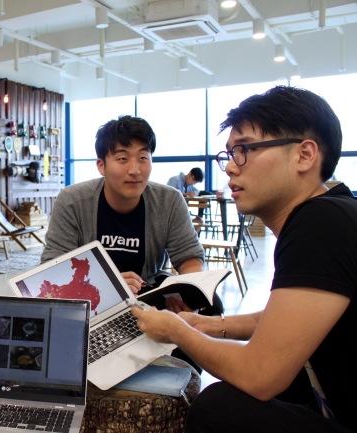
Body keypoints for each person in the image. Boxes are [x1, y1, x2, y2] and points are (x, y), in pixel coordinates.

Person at [131, 86, 356, 433]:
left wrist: (176, 329)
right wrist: (210, 326)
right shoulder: (338, 208)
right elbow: (294, 318)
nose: (231, 169)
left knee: (218, 407)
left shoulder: (319, 223)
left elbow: (260, 374)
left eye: (246, 150)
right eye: (230, 154)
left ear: (305, 155)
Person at [41, 116, 218, 314]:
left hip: (146, 296)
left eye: (143, 158)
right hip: (88, 299)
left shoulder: (169, 201)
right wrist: (107, 285)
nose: (135, 170)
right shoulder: (72, 201)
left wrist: (191, 290)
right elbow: (52, 267)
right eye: (122, 159)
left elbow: (189, 257)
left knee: (212, 306)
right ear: (101, 165)